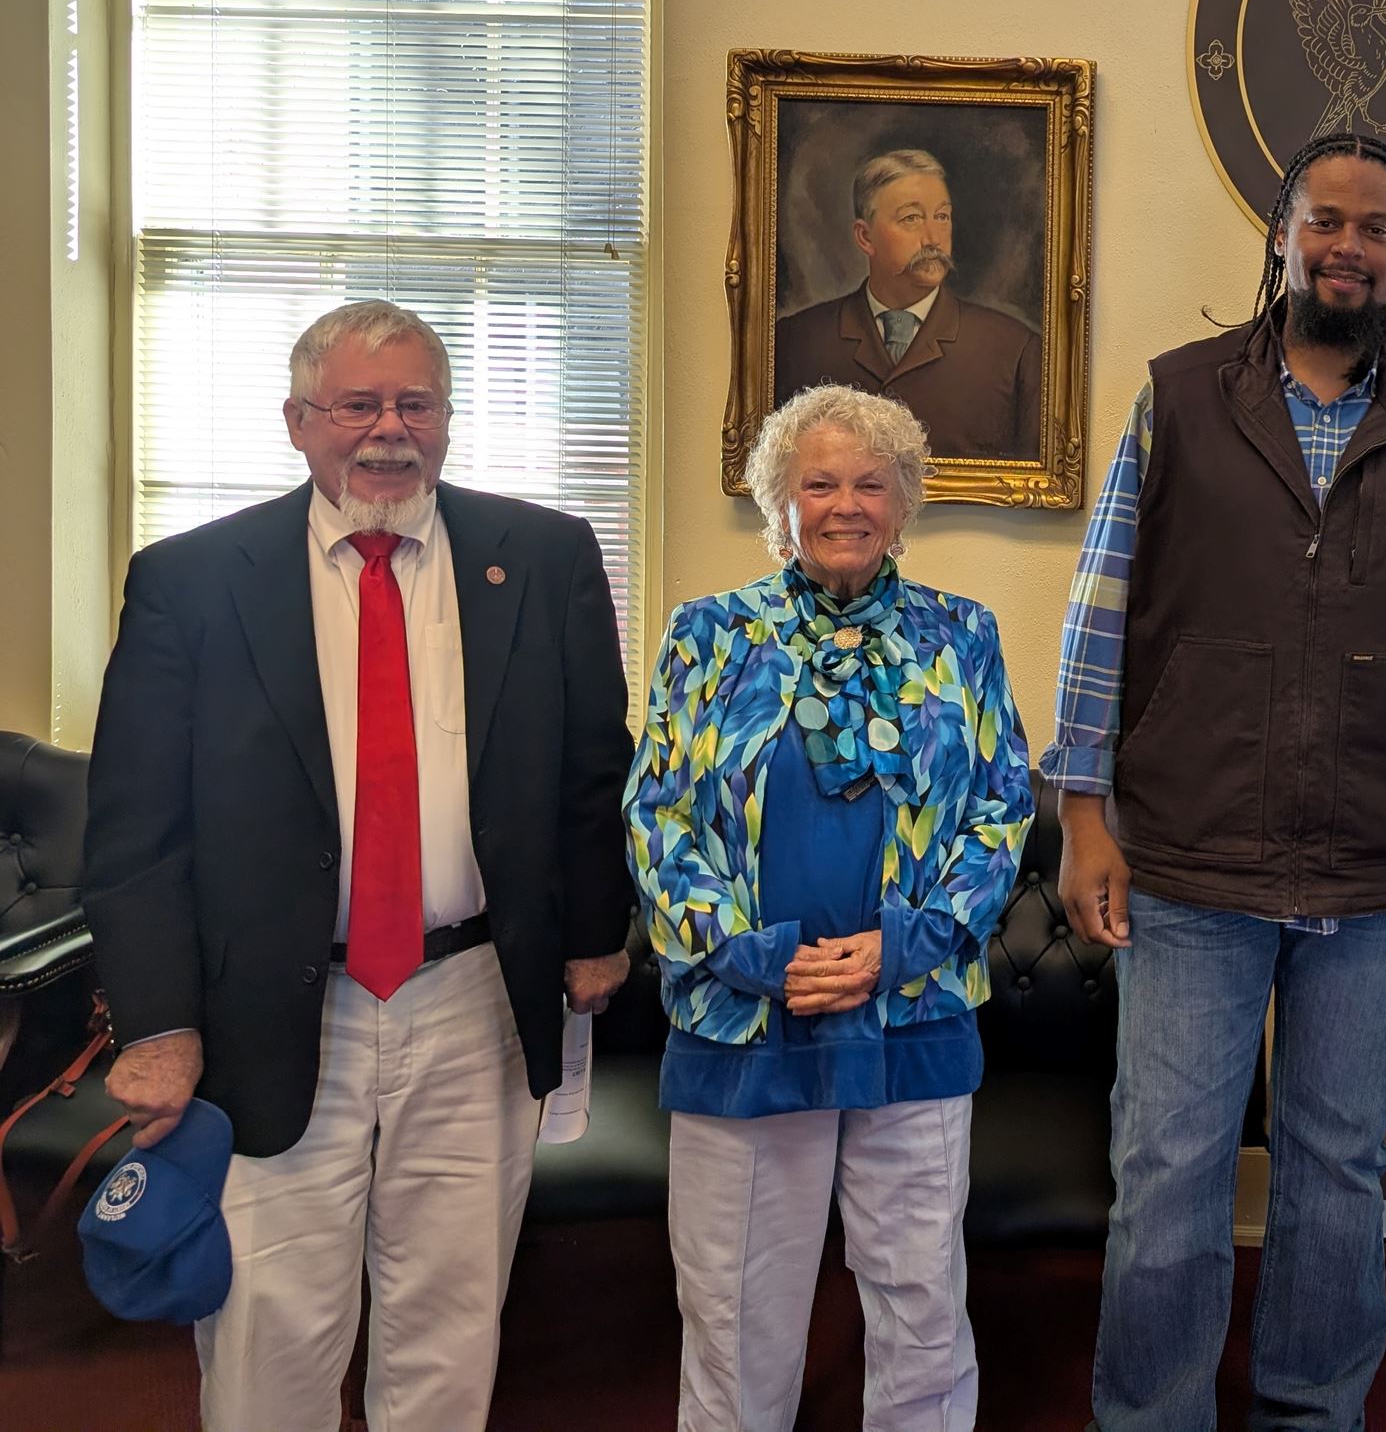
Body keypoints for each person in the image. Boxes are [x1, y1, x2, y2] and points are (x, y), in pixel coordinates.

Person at [1043, 130, 1386, 1432]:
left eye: (1374, 227)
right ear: (1281, 237)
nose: (1347, 244)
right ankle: (1150, 1413)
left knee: (1338, 1171)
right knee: (1168, 1170)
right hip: (1192, 861)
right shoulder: (1176, 399)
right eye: (1323, 220)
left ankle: (1310, 1411)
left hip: (1385, 875)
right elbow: (1101, 612)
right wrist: (1082, 814)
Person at [82, 298, 634, 1430]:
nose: (388, 429)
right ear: (298, 420)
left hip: (473, 995)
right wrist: (156, 1020)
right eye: (356, 404)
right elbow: (136, 825)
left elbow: (591, 766)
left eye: (414, 403)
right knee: (270, 1329)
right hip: (270, 1009)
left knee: (449, 1323)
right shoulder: (192, 578)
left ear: (446, 419)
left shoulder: (541, 555)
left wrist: (594, 932)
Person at [625, 383, 1033, 1432]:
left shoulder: (962, 632)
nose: (845, 502)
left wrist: (912, 942)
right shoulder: (706, 634)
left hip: (913, 1009)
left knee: (920, 1300)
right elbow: (659, 810)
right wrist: (751, 954)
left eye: (870, 481)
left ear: (903, 502)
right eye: (818, 481)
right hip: (746, 1015)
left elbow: (1000, 801)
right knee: (734, 1305)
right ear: (779, 501)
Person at [773, 146, 1044, 461]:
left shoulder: (1014, 351)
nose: (933, 238)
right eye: (911, 218)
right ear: (864, 237)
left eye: (942, 216)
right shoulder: (795, 341)